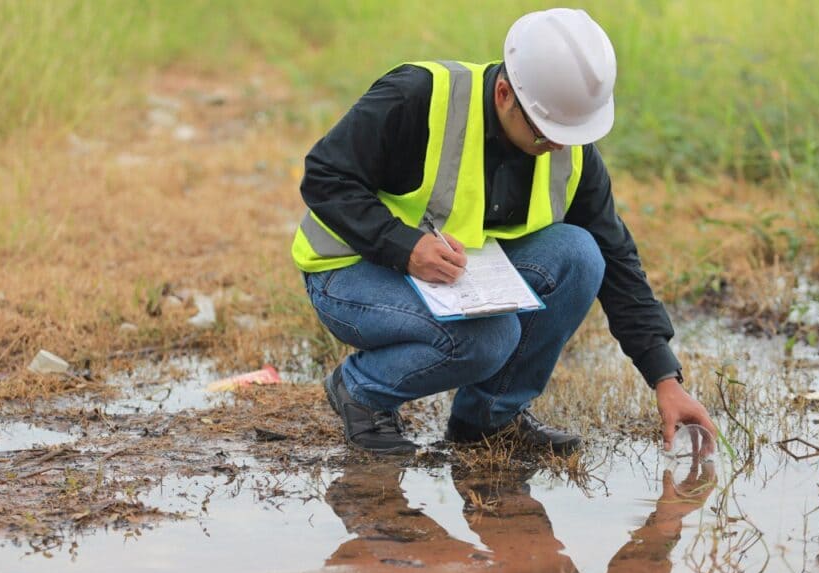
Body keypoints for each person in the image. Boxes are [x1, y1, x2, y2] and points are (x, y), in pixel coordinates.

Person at [291, 8, 717, 455]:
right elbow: (324, 176)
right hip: (351, 272)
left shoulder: (568, 148)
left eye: (568, 135)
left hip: (454, 277)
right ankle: (361, 389)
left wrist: (665, 379)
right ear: (503, 93)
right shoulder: (417, 96)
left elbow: (617, 259)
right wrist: (405, 246)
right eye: (545, 133)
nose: (556, 147)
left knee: (581, 253)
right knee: (489, 339)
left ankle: (488, 419)